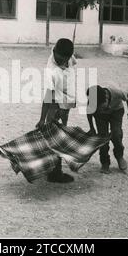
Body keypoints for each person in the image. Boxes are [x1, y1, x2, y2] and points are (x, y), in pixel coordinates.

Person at [36, 38, 77, 183]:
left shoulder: (70, 56)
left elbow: (73, 65)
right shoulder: (51, 70)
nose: (61, 62)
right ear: (54, 52)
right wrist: (42, 119)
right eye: (59, 60)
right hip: (54, 99)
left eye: (64, 60)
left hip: (66, 98)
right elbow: (48, 97)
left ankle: (52, 167)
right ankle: (54, 173)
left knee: (62, 131)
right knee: (53, 133)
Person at [86, 85, 128, 173]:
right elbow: (89, 112)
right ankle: (105, 163)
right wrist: (92, 128)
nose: (99, 108)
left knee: (116, 134)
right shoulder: (93, 100)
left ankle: (119, 156)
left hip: (116, 111)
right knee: (102, 138)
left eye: (100, 106)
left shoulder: (116, 92)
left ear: (106, 98)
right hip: (100, 117)